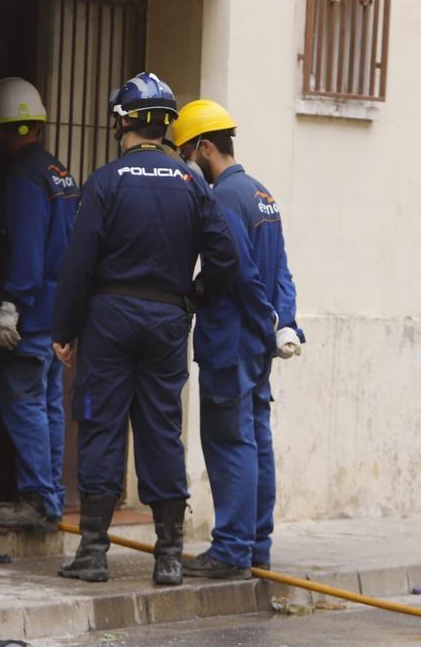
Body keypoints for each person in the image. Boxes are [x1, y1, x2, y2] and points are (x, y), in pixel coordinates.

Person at [51, 72, 238, 587]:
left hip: (109, 319)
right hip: (167, 321)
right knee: (161, 430)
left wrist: (64, 329)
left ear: (124, 123)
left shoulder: (106, 181)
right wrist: (194, 297)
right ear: (167, 126)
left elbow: (78, 263)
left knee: (101, 423)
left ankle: (92, 553)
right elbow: (226, 255)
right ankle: (169, 558)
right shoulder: (192, 183)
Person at [170, 100, 305, 578]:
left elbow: (242, 272)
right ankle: (256, 545)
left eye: (189, 154)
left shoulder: (224, 197)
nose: (189, 164)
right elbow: (281, 271)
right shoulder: (263, 193)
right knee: (255, 442)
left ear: (207, 146)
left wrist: (263, 318)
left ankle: (230, 549)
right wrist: (282, 321)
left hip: (232, 338)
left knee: (231, 444)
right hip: (256, 343)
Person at [0, 77, 79, 530]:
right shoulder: (60, 172)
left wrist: (11, 304)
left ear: (1, 126)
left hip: (34, 312)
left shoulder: (23, 177)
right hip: (58, 313)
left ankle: (37, 500)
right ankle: (53, 497)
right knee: (49, 406)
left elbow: (27, 248)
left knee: (24, 405)